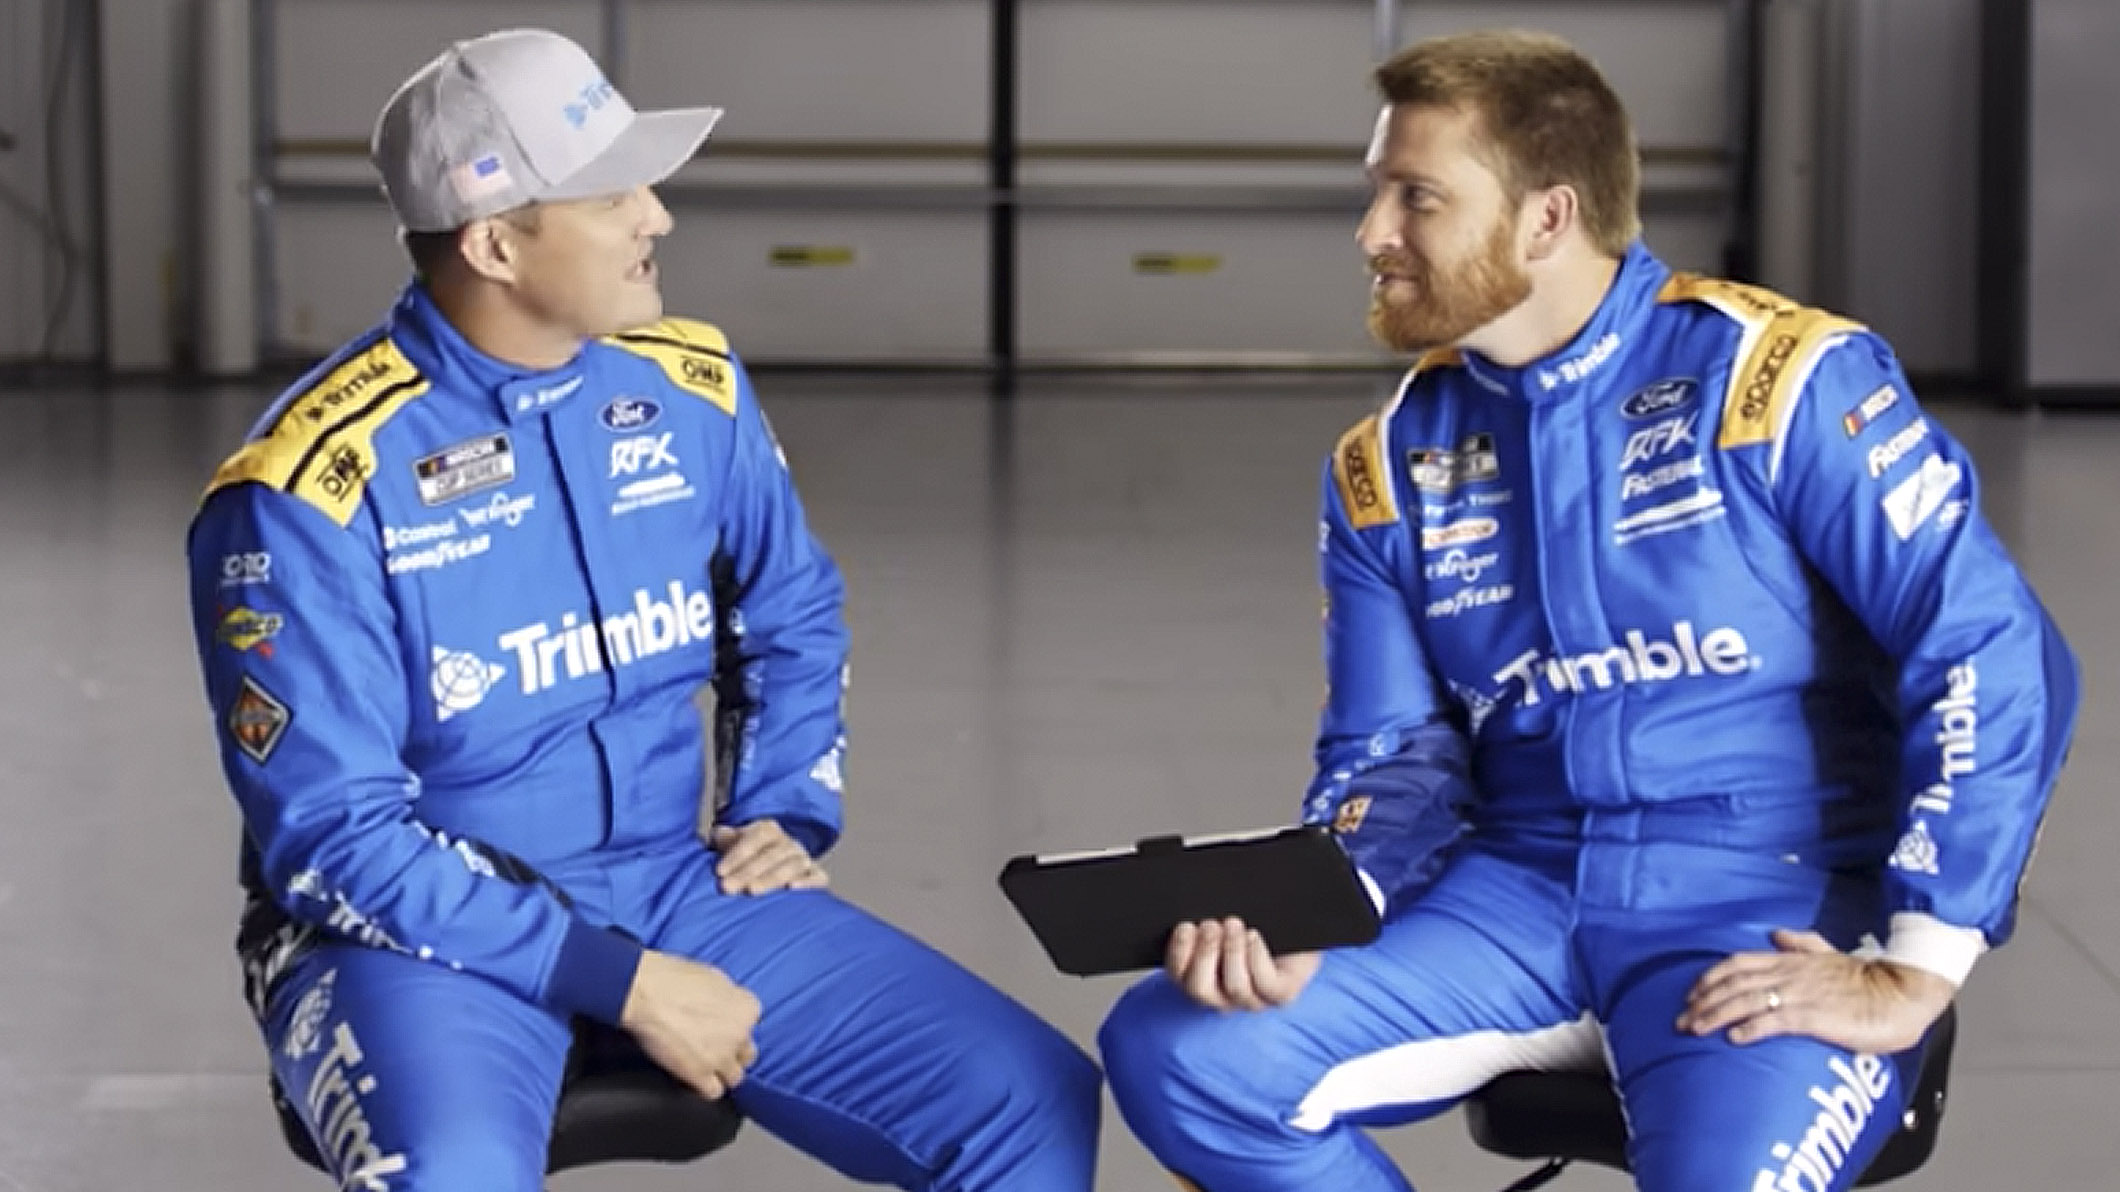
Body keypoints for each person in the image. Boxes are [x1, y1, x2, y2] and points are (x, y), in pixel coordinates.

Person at [1096, 28, 2077, 1192]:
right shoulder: (1387, 463)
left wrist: (1918, 958)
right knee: (1174, 1051)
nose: (1371, 235)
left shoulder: (1781, 383)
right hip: (1511, 900)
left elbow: (1983, 647)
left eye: (1415, 199)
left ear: (1545, 218)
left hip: (1763, 911)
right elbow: (1391, 751)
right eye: (1375, 196)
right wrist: (1326, 903)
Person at [186, 27, 1098, 1192]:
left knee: (1025, 1098)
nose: (656, 216)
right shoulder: (304, 493)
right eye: (612, 193)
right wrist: (620, 982)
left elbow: (793, 607)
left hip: (675, 885)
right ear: (495, 241)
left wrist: (785, 803)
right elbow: (334, 844)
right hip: (412, 938)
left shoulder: (689, 386)